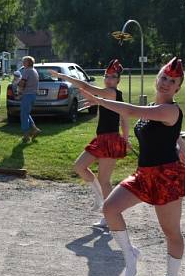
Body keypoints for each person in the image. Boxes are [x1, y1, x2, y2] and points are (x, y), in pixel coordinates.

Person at [81, 57, 185, 276]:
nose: (166, 83)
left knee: (171, 232)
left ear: (178, 88)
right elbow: (175, 137)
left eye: (172, 81)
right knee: (110, 208)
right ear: (158, 79)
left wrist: (98, 100)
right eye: (164, 77)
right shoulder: (156, 107)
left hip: (165, 177)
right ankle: (130, 253)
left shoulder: (169, 109)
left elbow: (131, 111)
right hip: (144, 174)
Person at [51, 59, 129, 229]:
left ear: (118, 80)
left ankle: (110, 216)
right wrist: (95, 101)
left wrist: (62, 76)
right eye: (107, 76)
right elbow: (122, 117)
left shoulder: (111, 93)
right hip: (101, 139)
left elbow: (86, 87)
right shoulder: (109, 95)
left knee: (105, 180)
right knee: (79, 166)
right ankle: (100, 199)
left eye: (113, 77)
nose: (109, 79)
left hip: (110, 140)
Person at [18, 56, 42, 142]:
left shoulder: (27, 71)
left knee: (24, 115)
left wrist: (19, 89)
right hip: (33, 95)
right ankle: (35, 129)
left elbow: (22, 83)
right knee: (26, 113)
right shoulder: (34, 71)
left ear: (29, 63)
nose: (23, 63)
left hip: (27, 95)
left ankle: (26, 136)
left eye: (24, 61)